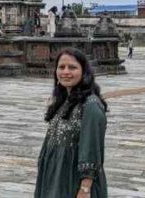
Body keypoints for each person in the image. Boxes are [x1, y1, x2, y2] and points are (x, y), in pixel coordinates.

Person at [35, 47, 109, 198]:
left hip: (73, 182)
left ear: (84, 72)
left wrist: (85, 189)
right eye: (61, 67)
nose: (66, 72)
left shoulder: (90, 105)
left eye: (72, 67)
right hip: (53, 179)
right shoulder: (64, 102)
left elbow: (91, 149)